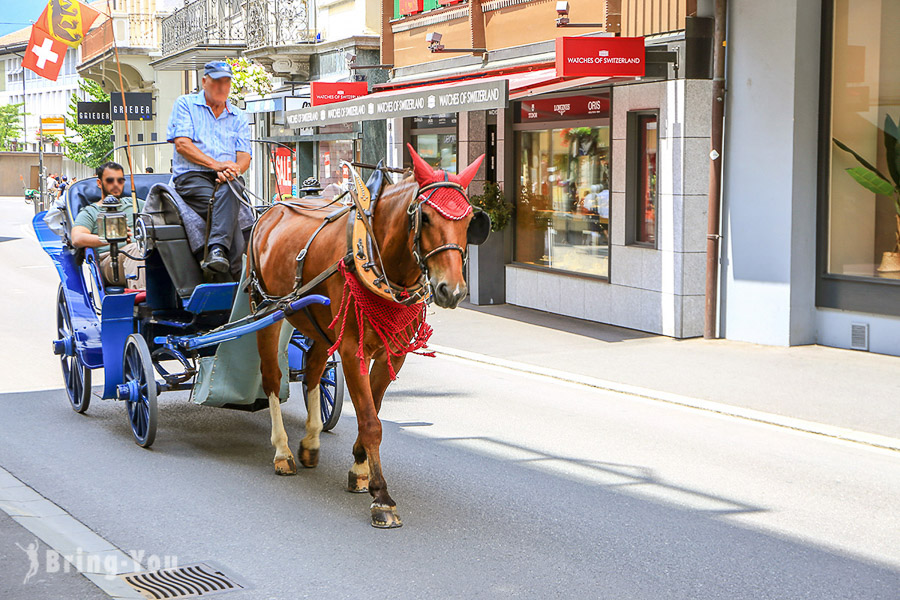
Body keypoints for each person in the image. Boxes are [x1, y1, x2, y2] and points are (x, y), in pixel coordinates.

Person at [166, 60, 251, 275]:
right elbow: (182, 144)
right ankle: (234, 271)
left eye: (226, 82)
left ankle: (217, 252)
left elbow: (244, 157)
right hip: (192, 176)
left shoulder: (238, 115)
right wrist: (217, 165)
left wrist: (233, 170)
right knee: (229, 213)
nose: (222, 87)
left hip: (228, 178)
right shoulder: (186, 104)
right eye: (216, 82)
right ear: (204, 81)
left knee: (232, 188)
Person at [71, 162, 145, 288]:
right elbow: (77, 238)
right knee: (136, 250)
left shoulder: (135, 204)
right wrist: (111, 238)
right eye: (110, 180)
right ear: (99, 183)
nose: (116, 184)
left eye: (120, 180)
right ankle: (141, 298)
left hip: (144, 254)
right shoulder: (91, 211)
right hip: (110, 260)